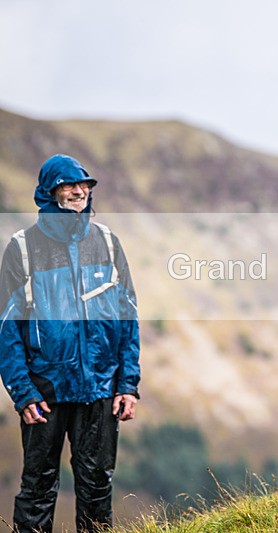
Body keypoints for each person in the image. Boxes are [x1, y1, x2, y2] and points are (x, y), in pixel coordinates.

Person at [0, 154, 140, 533]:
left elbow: (128, 315)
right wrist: (22, 392)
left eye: (85, 186)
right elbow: (7, 330)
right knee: (38, 488)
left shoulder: (108, 243)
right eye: (69, 186)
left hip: (99, 387)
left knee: (97, 489)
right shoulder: (22, 248)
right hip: (44, 392)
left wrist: (128, 384)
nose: (80, 191)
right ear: (48, 193)